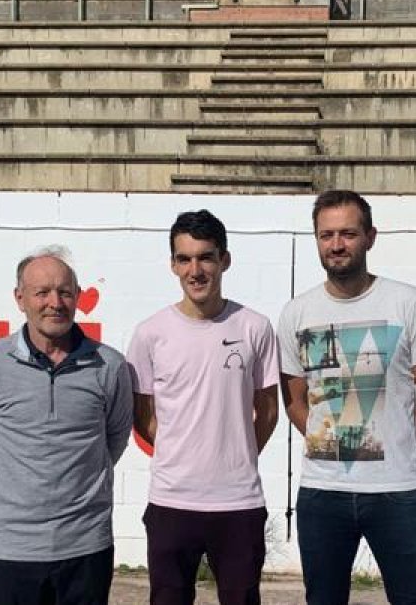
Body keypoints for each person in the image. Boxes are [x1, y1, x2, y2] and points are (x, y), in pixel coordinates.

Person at [277, 190, 416, 605]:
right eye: (327, 235)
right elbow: (294, 401)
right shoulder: (296, 313)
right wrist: (333, 442)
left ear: (370, 237)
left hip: (397, 492)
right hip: (321, 494)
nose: (337, 244)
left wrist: (401, 448)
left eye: (348, 233)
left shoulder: (408, 303)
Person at [0, 246, 133, 605]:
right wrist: (1, 485)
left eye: (65, 292)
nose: (55, 302)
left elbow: (114, 436)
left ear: (78, 297)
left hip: (86, 544)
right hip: (12, 546)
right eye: (42, 292)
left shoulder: (109, 366)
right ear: (20, 299)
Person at [125, 210, 280, 605]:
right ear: (173, 265)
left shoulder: (255, 327)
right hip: (172, 500)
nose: (195, 270)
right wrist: (183, 447)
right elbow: (142, 416)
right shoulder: (150, 334)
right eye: (184, 258)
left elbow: (268, 410)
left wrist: (235, 453)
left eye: (206, 257)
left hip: (239, 503)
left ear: (224, 260)